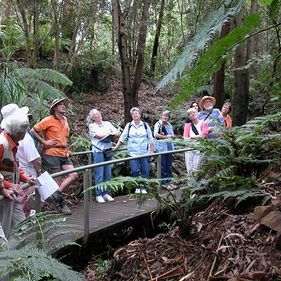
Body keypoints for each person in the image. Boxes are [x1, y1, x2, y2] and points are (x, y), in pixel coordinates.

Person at [31, 98, 78, 215]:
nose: (63, 106)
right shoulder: (48, 120)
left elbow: (64, 137)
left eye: (64, 104)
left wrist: (67, 148)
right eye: (60, 105)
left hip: (64, 153)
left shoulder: (65, 120)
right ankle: (61, 205)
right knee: (57, 180)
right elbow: (33, 131)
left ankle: (55, 195)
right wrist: (44, 142)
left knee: (73, 174)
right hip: (52, 153)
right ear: (55, 108)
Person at [0, 104, 35, 238]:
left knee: (22, 226)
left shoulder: (12, 143)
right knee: (5, 228)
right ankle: (7, 256)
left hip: (11, 194)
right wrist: (5, 187)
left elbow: (11, 166)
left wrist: (25, 178)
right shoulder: (2, 144)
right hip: (4, 195)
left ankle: (24, 254)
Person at [113, 107, 154, 194]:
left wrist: (151, 151)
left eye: (137, 113)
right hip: (133, 153)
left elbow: (150, 139)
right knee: (135, 170)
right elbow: (123, 137)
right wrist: (116, 147)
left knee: (144, 170)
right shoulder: (129, 126)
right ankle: (137, 186)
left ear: (140, 115)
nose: (135, 114)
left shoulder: (145, 126)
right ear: (131, 116)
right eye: (133, 113)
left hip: (144, 153)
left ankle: (143, 187)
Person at [87, 109, 120, 203]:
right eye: (95, 115)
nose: (98, 115)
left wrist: (114, 134)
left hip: (108, 150)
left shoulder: (108, 124)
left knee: (108, 172)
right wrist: (110, 134)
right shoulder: (92, 126)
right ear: (93, 118)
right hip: (98, 151)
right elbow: (98, 135)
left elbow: (117, 132)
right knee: (99, 173)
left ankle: (106, 193)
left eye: (98, 113)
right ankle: (98, 194)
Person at [17, 113, 42, 216]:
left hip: (19, 172)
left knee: (21, 200)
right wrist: (39, 170)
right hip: (27, 172)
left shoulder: (14, 136)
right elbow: (35, 159)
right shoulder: (26, 138)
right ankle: (27, 225)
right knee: (28, 201)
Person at [154, 110, 176, 189]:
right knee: (162, 166)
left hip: (169, 147)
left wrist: (172, 136)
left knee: (169, 166)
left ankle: (170, 182)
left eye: (166, 116)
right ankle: (164, 183)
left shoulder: (169, 125)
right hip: (161, 148)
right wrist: (166, 137)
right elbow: (156, 134)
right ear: (161, 116)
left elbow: (172, 135)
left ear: (169, 117)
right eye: (164, 115)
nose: (165, 117)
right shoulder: (158, 124)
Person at [183, 108, 209, 175]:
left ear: (197, 113)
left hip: (200, 149)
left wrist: (191, 137)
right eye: (190, 114)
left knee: (197, 169)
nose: (193, 114)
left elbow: (203, 135)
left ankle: (196, 184)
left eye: (194, 112)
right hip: (189, 149)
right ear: (189, 117)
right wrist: (196, 137)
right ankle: (190, 184)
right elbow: (185, 138)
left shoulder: (203, 123)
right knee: (189, 169)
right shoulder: (187, 126)